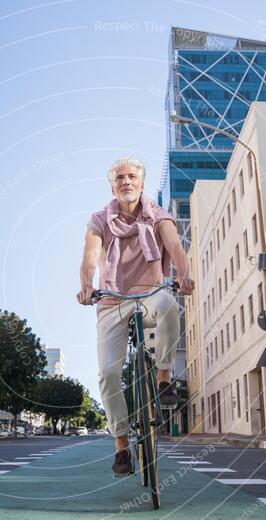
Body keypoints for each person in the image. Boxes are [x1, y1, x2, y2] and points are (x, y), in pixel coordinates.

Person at [76, 157, 194, 477]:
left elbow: (175, 246)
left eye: (131, 177)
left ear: (141, 184)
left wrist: (184, 274)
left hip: (148, 295)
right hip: (111, 301)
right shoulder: (99, 220)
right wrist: (87, 285)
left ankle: (164, 376)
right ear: (112, 186)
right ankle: (121, 446)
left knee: (169, 305)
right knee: (108, 374)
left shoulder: (157, 215)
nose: (125, 181)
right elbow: (89, 258)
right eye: (119, 178)